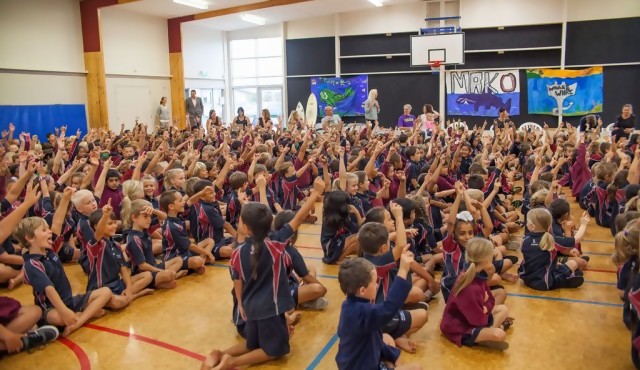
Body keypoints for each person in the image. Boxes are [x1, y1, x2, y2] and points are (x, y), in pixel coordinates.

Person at [201, 203, 295, 370]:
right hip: (269, 309)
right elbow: (297, 219)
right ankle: (232, 362)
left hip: (249, 307)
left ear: (245, 226)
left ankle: (220, 354)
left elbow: (237, 281)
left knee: (252, 344)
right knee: (277, 350)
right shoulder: (274, 245)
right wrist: (316, 195)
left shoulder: (236, 251)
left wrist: (241, 303)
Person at [335, 251, 422, 370]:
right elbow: (389, 308)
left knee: (386, 338)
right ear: (362, 291)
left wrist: (394, 356)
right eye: (374, 282)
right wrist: (402, 271)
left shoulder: (350, 305)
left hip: (356, 362)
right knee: (417, 368)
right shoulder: (362, 312)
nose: (377, 286)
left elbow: (375, 338)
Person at [440, 238, 512, 350]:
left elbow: (491, 300)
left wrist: (485, 307)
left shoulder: (478, 274)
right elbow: (479, 321)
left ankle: (485, 336)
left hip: (474, 317)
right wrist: (485, 308)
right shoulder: (469, 287)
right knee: (499, 334)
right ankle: (485, 337)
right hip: (459, 328)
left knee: (503, 309)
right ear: (487, 260)